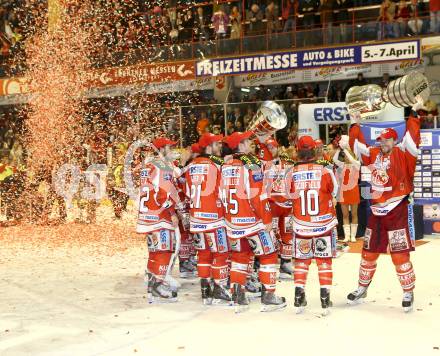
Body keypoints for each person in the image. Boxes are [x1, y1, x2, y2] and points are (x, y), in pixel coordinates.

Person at [341, 98, 425, 312]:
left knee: (399, 255)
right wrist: (355, 123)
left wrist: (414, 112)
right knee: (368, 253)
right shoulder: (373, 153)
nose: (382, 143)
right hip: (376, 212)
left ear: (394, 140)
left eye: (386, 140)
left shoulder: (404, 153)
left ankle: (408, 291)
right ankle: (362, 288)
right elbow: (355, 145)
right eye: (380, 140)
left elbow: (412, 136)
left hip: (397, 209)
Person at [221, 131, 286, 312]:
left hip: (233, 222)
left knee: (240, 257)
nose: (251, 142)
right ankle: (269, 295)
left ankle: (238, 295)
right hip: (253, 221)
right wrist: (266, 219)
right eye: (248, 140)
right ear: (240, 145)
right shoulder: (251, 163)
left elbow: (220, 195)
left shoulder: (224, 166)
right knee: (269, 255)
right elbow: (258, 195)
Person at [287, 136, 338, 315]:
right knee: (324, 260)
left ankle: (298, 297)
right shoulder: (325, 169)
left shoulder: (290, 172)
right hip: (323, 223)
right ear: (314, 150)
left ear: (298, 150)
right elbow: (335, 191)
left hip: (301, 224)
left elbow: (286, 197)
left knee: (302, 261)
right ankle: (325, 299)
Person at [185, 133, 231, 305]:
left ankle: (205, 291)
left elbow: (188, 193)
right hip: (214, 219)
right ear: (209, 146)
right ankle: (219, 289)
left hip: (197, 219)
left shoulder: (191, 165)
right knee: (221, 253)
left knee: (203, 254)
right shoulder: (218, 164)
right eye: (217, 144)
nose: (220, 146)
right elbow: (224, 192)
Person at [137, 137, 180, 302]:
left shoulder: (146, 165)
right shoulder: (162, 166)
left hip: (146, 216)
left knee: (154, 251)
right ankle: (157, 285)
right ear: (162, 149)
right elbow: (163, 193)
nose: (171, 151)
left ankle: (151, 284)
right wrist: (172, 212)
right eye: (169, 148)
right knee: (165, 251)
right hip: (159, 216)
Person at [261, 137, 295, 279]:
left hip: (287, 205)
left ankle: (286, 263)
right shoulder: (262, 165)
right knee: (272, 234)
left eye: (273, 147)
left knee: (287, 233)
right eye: (268, 148)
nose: (271, 150)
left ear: (278, 147)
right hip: (272, 205)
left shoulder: (288, 163)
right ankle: (269, 263)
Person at [332, 147, 360, 242]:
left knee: (354, 214)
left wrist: (346, 150)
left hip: (353, 191)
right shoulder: (342, 165)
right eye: (345, 155)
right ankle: (347, 236)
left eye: (348, 155)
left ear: (352, 155)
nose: (346, 157)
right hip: (343, 192)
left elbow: (352, 160)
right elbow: (334, 159)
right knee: (345, 215)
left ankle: (353, 236)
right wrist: (339, 149)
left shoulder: (357, 164)